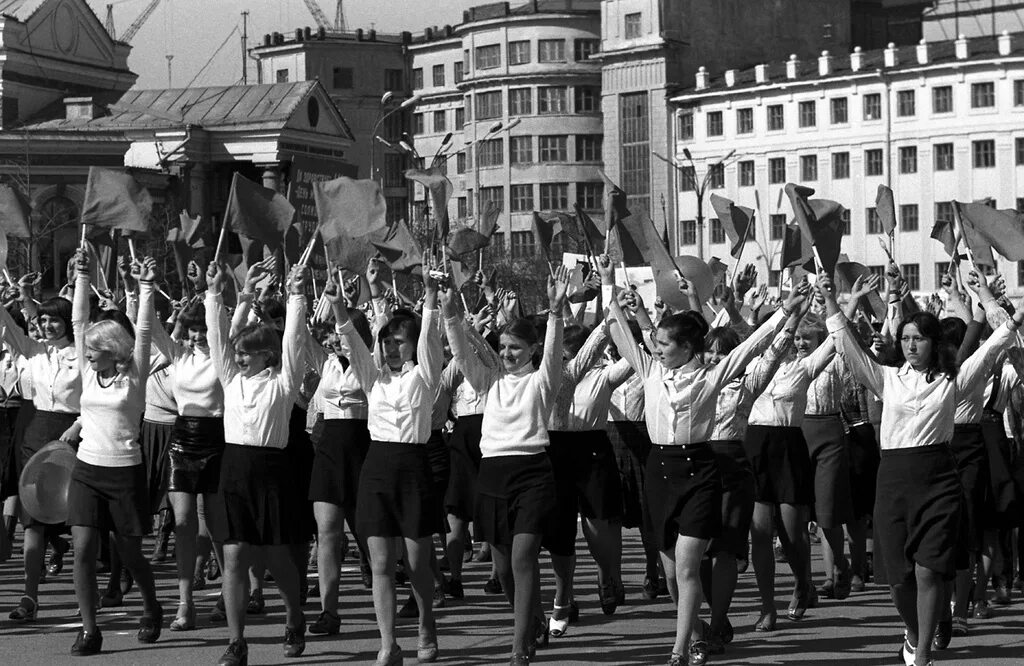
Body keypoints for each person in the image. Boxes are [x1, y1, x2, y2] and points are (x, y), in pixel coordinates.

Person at [817, 268, 1024, 666]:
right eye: (905, 339)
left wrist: (1011, 317)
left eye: (919, 339)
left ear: (933, 343)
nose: (911, 345)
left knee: (929, 572)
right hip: (893, 482)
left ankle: (924, 653)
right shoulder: (886, 378)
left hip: (939, 481)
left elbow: (991, 349)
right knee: (899, 581)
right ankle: (915, 630)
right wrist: (832, 300)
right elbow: (847, 345)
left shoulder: (953, 381)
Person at [607, 272, 809, 666]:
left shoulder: (712, 376)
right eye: (658, 343)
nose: (658, 348)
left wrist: (787, 309)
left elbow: (753, 346)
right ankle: (695, 628)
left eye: (665, 343)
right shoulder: (650, 371)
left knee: (687, 568)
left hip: (700, 471)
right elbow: (621, 335)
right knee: (669, 571)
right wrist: (608, 291)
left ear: (686, 347)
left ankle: (680, 649)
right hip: (659, 472)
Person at [442, 264, 570, 665]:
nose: (508, 353)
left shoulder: (542, 381)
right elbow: (463, 353)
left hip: (532, 473)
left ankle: (519, 647)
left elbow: (552, 354)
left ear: (530, 350)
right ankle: (530, 620)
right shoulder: (488, 382)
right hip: (493, 475)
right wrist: (449, 315)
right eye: (503, 347)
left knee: (522, 557)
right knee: (504, 569)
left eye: (516, 347)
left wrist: (554, 312)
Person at [328, 254, 444, 666]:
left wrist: (430, 296)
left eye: (399, 341)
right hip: (376, 468)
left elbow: (431, 340)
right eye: (387, 341)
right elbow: (354, 343)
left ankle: (426, 623)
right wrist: (341, 308)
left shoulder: (424, 375)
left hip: (414, 468)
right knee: (380, 562)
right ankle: (388, 642)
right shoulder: (373, 377)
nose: (391, 347)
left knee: (415, 562)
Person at [205, 261, 310, 665]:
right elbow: (218, 339)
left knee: (274, 558)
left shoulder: (284, 383)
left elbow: (295, 343)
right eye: (238, 354)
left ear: (267, 354)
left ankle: (294, 613)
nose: (239, 358)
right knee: (234, 556)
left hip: (272, 473)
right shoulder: (231, 380)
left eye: (247, 353)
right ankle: (236, 642)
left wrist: (297, 295)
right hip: (234, 469)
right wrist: (219, 293)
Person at [62, 250, 163, 655]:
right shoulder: (89, 371)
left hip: (124, 472)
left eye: (93, 349)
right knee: (83, 550)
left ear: (113, 349)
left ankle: (151, 606)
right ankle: (90, 629)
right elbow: (78, 320)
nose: (86, 353)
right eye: (86, 349)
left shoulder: (134, 375)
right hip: (87, 469)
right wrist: (82, 275)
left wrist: (145, 287)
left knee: (130, 553)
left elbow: (142, 331)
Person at [0, 270, 82, 622]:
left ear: (67, 322)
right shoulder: (33, 353)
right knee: (31, 523)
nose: (47, 326)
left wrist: (78, 427)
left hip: (73, 437)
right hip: (34, 437)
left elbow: (91, 402)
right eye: (42, 320)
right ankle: (29, 597)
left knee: (79, 524)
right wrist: (19, 296)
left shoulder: (84, 355)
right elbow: (9, 325)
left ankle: (86, 598)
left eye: (54, 320)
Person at [149, 290, 229, 632]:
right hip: (181, 441)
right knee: (183, 524)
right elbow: (150, 329)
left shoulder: (224, 359)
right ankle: (185, 603)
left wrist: (213, 292)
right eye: (192, 329)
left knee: (215, 524)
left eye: (203, 329)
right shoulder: (177, 355)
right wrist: (143, 288)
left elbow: (224, 325)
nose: (197, 336)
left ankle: (228, 591)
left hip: (216, 439)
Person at [306, 310, 373, 635]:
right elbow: (300, 340)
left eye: (341, 332)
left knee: (369, 534)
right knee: (328, 533)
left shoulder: (371, 363)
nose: (335, 337)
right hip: (329, 449)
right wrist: (293, 299)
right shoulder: (326, 362)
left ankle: (393, 590)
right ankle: (328, 611)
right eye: (334, 332)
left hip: (363, 447)